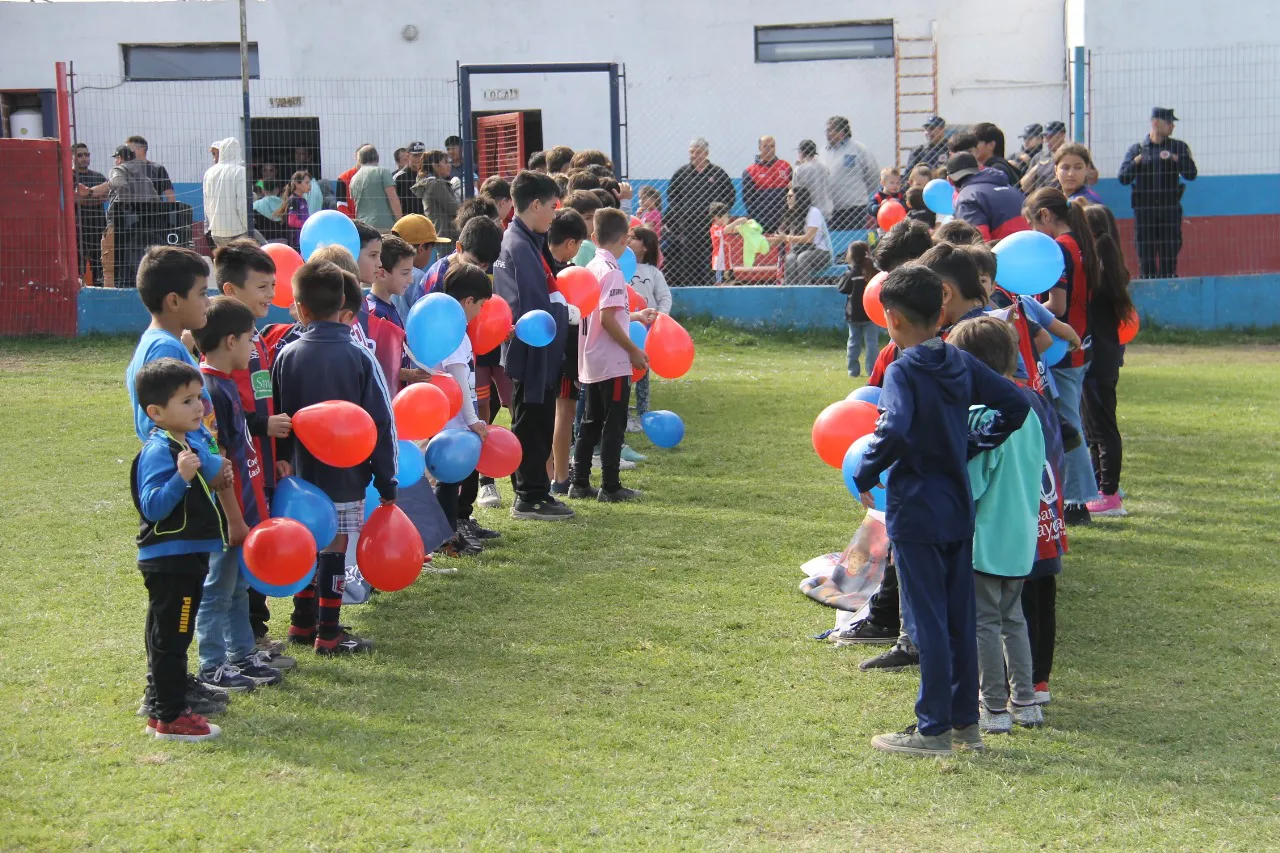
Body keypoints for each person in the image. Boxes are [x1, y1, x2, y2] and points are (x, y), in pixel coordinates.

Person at [852, 264, 1030, 758]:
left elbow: (897, 427)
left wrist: (867, 471)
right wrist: (970, 443)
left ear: (891, 318)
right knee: (958, 618)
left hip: (917, 512)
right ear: (941, 311)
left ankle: (931, 730)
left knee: (926, 620)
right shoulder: (958, 360)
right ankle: (963, 724)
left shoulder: (903, 369)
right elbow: (1014, 405)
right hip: (957, 509)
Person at [272, 259, 397, 655]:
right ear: (344, 303)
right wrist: (387, 478)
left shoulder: (285, 356)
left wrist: (279, 461)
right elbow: (381, 422)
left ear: (300, 308)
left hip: (298, 477)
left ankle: (301, 621)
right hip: (345, 475)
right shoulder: (361, 356)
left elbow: (276, 414)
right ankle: (329, 631)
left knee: (307, 541)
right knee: (335, 546)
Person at [946, 317, 1047, 733]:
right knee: (1013, 619)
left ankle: (993, 708)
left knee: (984, 622)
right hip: (1021, 537)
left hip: (984, 539)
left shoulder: (980, 416)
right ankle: (1025, 701)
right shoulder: (1031, 412)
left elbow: (972, 484)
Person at [191, 297, 285, 692]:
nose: (254, 347)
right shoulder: (211, 390)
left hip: (242, 509)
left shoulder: (226, 386)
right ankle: (212, 665)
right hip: (227, 516)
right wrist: (234, 518)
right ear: (230, 341)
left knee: (237, 587)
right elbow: (220, 462)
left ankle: (241, 655)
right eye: (250, 339)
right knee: (218, 589)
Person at [130, 358, 227, 742]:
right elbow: (152, 506)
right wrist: (181, 477)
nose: (198, 406)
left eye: (199, 397)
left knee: (165, 634)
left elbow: (208, 459)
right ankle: (172, 717)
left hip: (185, 556)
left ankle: (161, 706)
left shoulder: (184, 440)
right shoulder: (160, 450)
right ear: (156, 412)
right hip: (172, 559)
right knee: (174, 637)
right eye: (186, 401)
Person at [211, 241, 293, 652]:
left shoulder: (256, 339)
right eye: (262, 286)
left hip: (263, 463)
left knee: (259, 542)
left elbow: (263, 400)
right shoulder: (221, 350)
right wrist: (264, 424)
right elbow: (222, 418)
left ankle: (255, 630)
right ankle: (246, 638)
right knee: (242, 552)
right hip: (241, 469)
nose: (270, 296)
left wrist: (277, 456)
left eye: (273, 285)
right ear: (230, 291)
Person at [494, 170, 574, 520]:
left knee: (538, 421)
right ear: (536, 204)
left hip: (539, 351)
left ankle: (536, 490)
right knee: (531, 424)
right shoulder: (518, 246)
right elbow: (532, 305)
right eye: (553, 206)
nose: (555, 214)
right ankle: (528, 496)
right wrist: (563, 310)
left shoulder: (528, 242)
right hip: (532, 353)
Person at [1023, 188, 1102, 524]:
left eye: (1033, 225)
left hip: (1064, 348)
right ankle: (1076, 496)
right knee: (1072, 422)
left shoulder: (1058, 249)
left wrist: (1022, 312)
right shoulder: (1080, 243)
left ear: (1044, 216)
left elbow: (1057, 306)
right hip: (1080, 344)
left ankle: (1076, 501)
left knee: (1069, 426)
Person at [569, 208, 649, 503]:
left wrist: (636, 315)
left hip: (591, 358)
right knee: (613, 423)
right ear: (625, 239)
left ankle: (579, 482)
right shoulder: (613, 272)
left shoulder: (591, 267)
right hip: (612, 360)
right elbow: (607, 318)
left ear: (594, 237)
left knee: (590, 421)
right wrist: (633, 350)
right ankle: (611, 485)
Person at [430, 262, 494, 556]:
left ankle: (448, 534)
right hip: (450, 421)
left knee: (449, 480)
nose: (480, 311)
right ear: (468, 301)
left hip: (451, 420)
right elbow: (457, 380)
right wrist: (472, 420)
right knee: (447, 480)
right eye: (480, 305)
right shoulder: (453, 333)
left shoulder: (453, 329)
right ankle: (445, 539)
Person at [1081, 204, 1135, 518]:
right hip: (1104, 355)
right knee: (1095, 427)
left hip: (1098, 357)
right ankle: (1100, 487)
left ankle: (1110, 494)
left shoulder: (1097, 271)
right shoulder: (1108, 265)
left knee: (1101, 428)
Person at [1118, 107, 1197, 278]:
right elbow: (1123, 177)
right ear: (1155, 123)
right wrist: (1137, 161)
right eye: (1168, 123)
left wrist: (1176, 159)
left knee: (1169, 253)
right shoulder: (1138, 149)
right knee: (1146, 256)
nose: (1172, 127)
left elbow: (1191, 174)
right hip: (1145, 211)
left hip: (1169, 210)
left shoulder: (1178, 147)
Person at [664, 137, 736, 286]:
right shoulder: (682, 173)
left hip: (711, 226)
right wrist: (681, 213)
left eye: (698, 152)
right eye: (692, 152)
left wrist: (720, 215)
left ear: (706, 153)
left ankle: (711, 286)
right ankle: (690, 287)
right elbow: (672, 196)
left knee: (711, 257)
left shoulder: (717, 173)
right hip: (688, 226)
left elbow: (730, 195)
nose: (694, 155)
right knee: (689, 258)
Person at [627, 225, 671, 431]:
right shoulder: (617, 268)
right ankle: (624, 414)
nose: (627, 240)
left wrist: (661, 318)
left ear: (645, 247)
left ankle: (644, 414)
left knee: (643, 371)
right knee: (624, 372)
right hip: (625, 326)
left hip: (647, 329)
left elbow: (664, 297)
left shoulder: (653, 272)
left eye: (633, 238)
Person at [947, 152, 1029, 241]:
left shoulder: (967, 198)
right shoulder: (1010, 188)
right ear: (979, 169)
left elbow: (978, 244)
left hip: (1008, 252)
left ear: (950, 180)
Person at [820, 116, 880, 230]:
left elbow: (873, 176)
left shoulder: (859, 149)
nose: (827, 133)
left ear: (842, 132)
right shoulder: (822, 152)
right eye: (826, 130)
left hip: (854, 209)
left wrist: (859, 194)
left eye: (830, 130)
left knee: (854, 243)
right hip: (830, 210)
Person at [389, 213, 453, 315]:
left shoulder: (388, 270)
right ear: (421, 248)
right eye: (432, 249)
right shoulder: (418, 277)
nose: (433, 253)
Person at [836, 241, 880, 378]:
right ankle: (872, 371)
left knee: (853, 342)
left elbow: (842, 288)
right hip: (871, 314)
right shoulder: (874, 272)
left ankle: (853, 371)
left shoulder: (852, 274)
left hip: (854, 314)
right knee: (872, 342)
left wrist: (846, 273)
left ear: (852, 256)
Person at [202, 138, 256, 248]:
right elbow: (242, 203)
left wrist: (210, 225)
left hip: (217, 231)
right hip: (237, 230)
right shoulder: (240, 172)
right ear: (238, 151)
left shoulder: (209, 173)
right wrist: (248, 227)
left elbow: (206, 203)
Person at [775, 186, 832, 285]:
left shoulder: (813, 212)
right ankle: (791, 293)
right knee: (790, 259)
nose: (787, 199)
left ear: (799, 198)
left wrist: (786, 238)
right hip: (799, 250)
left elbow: (809, 239)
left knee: (803, 257)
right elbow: (780, 233)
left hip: (820, 252)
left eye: (790, 196)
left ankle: (804, 292)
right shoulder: (792, 213)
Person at [72, 143, 107, 285]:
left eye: (87, 155)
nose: (84, 158)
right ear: (72, 157)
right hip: (78, 228)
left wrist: (86, 196)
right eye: (80, 155)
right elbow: (75, 200)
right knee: (77, 267)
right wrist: (94, 197)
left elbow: (106, 196)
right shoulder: (69, 177)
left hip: (98, 228)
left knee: (100, 266)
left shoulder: (98, 177)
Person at [742, 135, 792, 232]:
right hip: (762, 223)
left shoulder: (785, 166)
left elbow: (792, 193)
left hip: (784, 222)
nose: (770, 149)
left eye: (772, 146)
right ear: (759, 148)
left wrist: (787, 219)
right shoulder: (750, 171)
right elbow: (748, 200)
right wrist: (758, 220)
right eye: (766, 146)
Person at [349, 145, 401, 233]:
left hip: (364, 226)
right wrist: (400, 221)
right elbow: (393, 199)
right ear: (377, 157)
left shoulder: (354, 178)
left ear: (360, 159)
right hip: (385, 225)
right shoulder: (382, 172)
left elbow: (355, 202)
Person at [414, 150, 461, 243]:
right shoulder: (436, 185)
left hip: (441, 233)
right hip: (447, 235)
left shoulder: (432, 183)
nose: (449, 165)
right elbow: (454, 208)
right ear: (435, 166)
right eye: (446, 162)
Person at [1019, 121, 1067, 194]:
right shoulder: (1040, 157)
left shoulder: (1072, 154)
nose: (1046, 140)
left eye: (1050, 136)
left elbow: (1090, 179)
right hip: (1040, 199)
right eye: (1045, 136)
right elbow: (1025, 187)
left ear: (1062, 135)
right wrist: (1038, 167)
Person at [126, 135, 176, 203]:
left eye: (129, 149)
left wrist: (170, 212)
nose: (126, 153)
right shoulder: (125, 169)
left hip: (153, 212)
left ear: (140, 150)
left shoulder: (158, 169)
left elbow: (170, 195)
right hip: (130, 212)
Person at [792, 139, 833, 220]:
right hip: (826, 209)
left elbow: (795, 189)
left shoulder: (800, 169)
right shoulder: (823, 166)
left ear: (802, 153)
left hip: (809, 212)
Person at [276, 171, 313, 250]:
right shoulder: (293, 200)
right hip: (295, 240)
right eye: (307, 183)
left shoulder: (303, 200)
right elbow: (292, 221)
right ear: (297, 184)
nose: (309, 185)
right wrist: (307, 224)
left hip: (303, 237)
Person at [394, 141, 426, 217]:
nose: (419, 158)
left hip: (427, 220)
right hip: (408, 220)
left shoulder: (429, 174)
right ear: (408, 156)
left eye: (421, 155)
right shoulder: (399, 178)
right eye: (416, 156)